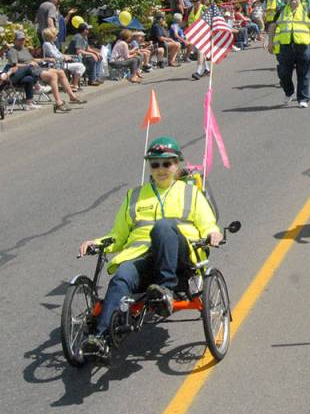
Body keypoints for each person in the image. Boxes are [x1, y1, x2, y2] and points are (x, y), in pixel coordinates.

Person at [78, 137, 222, 362]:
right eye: (155, 164)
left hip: (179, 260)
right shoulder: (134, 196)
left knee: (163, 227)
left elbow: (207, 223)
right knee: (122, 275)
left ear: (177, 165)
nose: (161, 169)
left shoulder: (190, 193)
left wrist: (213, 233)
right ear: (150, 168)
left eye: (167, 164)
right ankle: (100, 337)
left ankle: (165, 290)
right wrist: (97, 242)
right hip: (142, 257)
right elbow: (118, 235)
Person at [267, 0, 310, 108]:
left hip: (302, 47)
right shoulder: (281, 10)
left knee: (303, 73)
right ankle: (289, 91)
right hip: (285, 47)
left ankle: (303, 98)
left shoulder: (306, 9)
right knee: (283, 73)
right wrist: (270, 42)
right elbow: (272, 26)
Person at [41, 26, 85, 91]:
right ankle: (74, 85)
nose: (57, 37)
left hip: (60, 63)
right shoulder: (47, 44)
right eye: (55, 35)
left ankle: (72, 84)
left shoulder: (52, 44)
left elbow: (59, 54)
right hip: (55, 64)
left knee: (80, 63)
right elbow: (55, 56)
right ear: (50, 36)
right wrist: (64, 57)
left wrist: (68, 56)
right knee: (80, 66)